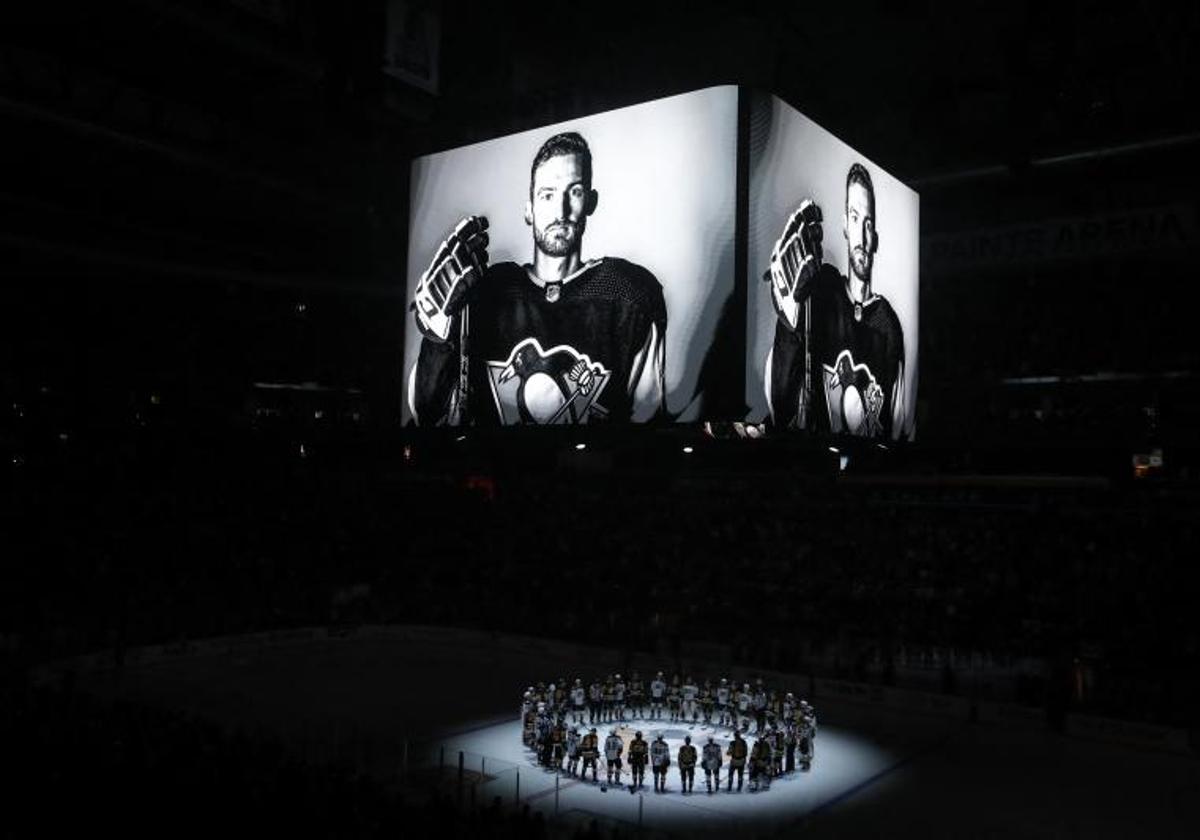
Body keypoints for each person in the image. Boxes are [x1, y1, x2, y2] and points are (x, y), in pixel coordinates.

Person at [410, 131, 668, 425]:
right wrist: (436, 338)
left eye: (574, 191)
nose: (560, 211)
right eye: (547, 195)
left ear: (591, 202)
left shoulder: (627, 294)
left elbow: (648, 426)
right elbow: (428, 414)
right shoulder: (488, 292)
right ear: (529, 209)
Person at [764, 163, 906, 438]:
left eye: (868, 223)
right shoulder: (823, 289)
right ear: (844, 226)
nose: (862, 236)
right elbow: (779, 403)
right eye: (854, 218)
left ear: (875, 236)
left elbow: (897, 427)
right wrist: (788, 322)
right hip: (811, 464)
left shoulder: (887, 323)